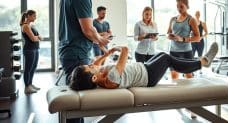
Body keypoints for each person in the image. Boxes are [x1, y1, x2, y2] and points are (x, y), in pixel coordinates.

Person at [69, 42, 218, 91]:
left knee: (163, 55)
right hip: (149, 76)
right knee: (166, 58)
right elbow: (126, 51)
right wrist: (115, 48)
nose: (91, 64)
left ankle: (199, 62)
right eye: (89, 67)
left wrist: (106, 54)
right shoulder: (111, 77)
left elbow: (95, 64)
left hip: (144, 67)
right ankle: (203, 62)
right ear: (93, 76)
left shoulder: (99, 77)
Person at [58, 0, 110, 87]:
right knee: (80, 98)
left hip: (70, 52)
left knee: (74, 95)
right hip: (76, 54)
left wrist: (97, 37)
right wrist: (100, 40)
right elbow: (87, 29)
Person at [167, 0, 200, 79]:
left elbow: (197, 37)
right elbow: (168, 32)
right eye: (177, 6)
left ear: (187, 6)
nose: (179, 9)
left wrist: (183, 39)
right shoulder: (173, 19)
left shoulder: (191, 19)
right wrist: (169, 36)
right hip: (173, 51)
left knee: (188, 76)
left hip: (186, 52)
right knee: (174, 76)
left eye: (181, 6)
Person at [20, 10, 42, 94]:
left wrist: (37, 37)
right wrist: (38, 37)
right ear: (28, 16)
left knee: (33, 67)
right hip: (29, 50)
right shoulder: (25, 26)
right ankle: (27, 87)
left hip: (35, 49)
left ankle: (30, 84)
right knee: (28, 69)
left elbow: (39, 36)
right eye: (34, 16)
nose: (35, 18)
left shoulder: (31, 26)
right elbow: (33, 39)